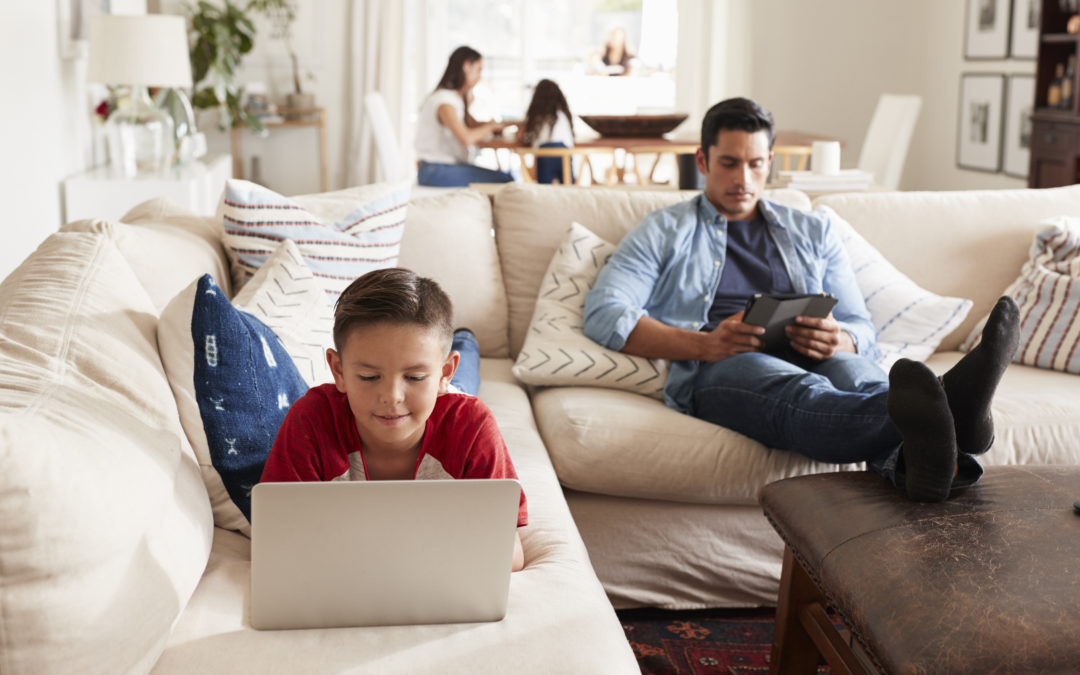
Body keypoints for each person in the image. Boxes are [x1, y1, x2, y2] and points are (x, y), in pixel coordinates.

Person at [583, 97, 1020, 502]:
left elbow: (860, 326)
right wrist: (704, 343)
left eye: (755, 165)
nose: (742, 179)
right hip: (723, 366)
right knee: (801, 392)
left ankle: (926, 466)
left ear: (769, 162)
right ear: (702, 161)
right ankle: (957, 414)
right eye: (729, 164)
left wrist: (839, 340)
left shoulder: (813, 231)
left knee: (861, 376)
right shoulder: (663, 229)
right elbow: (606, 314)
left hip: (815, 354)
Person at [261, 268, 527, 571]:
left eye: (414, 376)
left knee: (465, 385)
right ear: (338, 371)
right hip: (429, 398)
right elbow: (276, 539)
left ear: (443, 373)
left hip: (446, 398)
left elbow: (512, 553)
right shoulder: (309, 419)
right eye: (369, 376)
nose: (392, 396)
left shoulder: (472, 423)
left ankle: (466, 341)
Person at [415, 46, 514, 187]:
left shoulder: (453, 98)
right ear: (467, 66)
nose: (480, 76)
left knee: (505, 178)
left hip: (441, 168)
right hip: (435, 171)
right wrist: (491, 127)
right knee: (505, 180)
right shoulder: (444, 102)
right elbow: (466, 138)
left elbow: (471, 124)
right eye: (479, 69)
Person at [519, 79, 575, 184]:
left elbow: (525, 137)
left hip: (544, 154)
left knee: (544, 189)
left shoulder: (537, 117)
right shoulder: (563, 114)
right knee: (568, 187)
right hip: (565, 154)